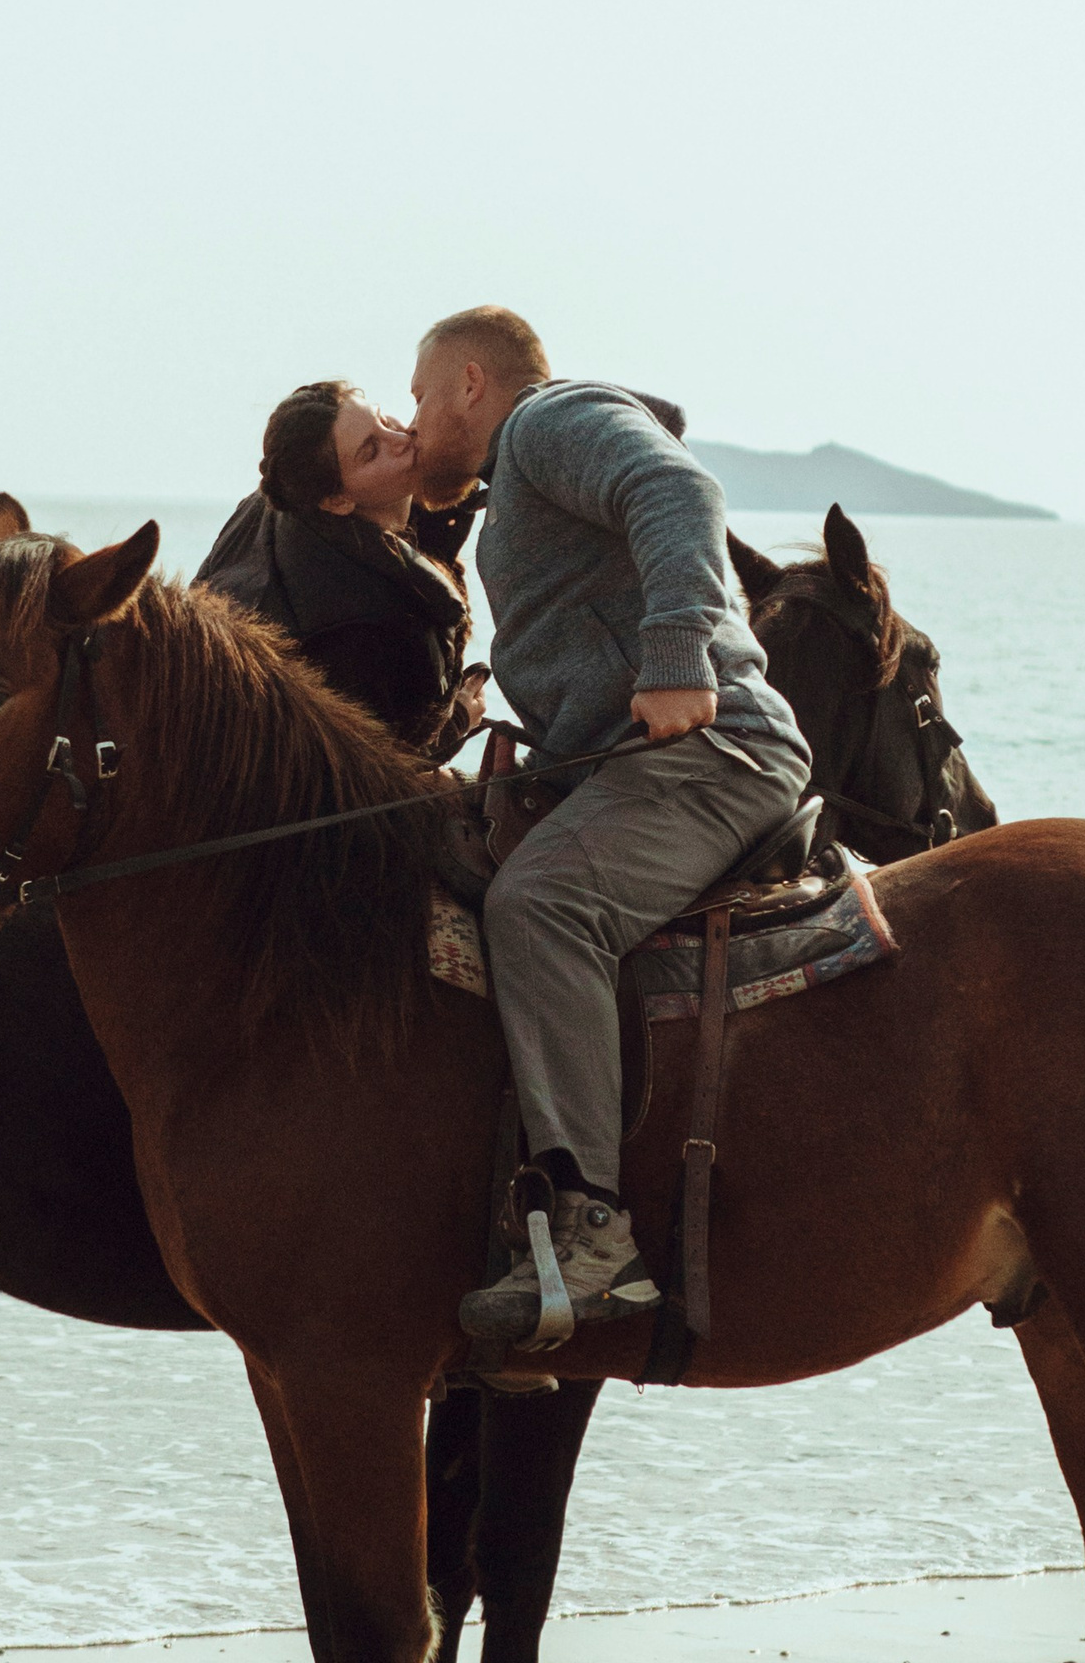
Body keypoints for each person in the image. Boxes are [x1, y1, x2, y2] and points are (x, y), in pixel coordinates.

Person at [405, 306, 813, 1344]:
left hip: (708, 751)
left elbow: (678, 489)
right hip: (637, 760)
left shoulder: (548, 419)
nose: (413, 424)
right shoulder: (515, 481)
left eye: (416, 397)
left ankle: (594, 1241)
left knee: (542, 905)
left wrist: (677, 659)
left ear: (466, 381)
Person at [195, 380, 487, 764]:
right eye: (371, 450)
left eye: (383, 418)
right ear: (337, 500)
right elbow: (380, 776)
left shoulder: (273, 501)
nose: (400, 436)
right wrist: (460, 718)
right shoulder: (365, 630)